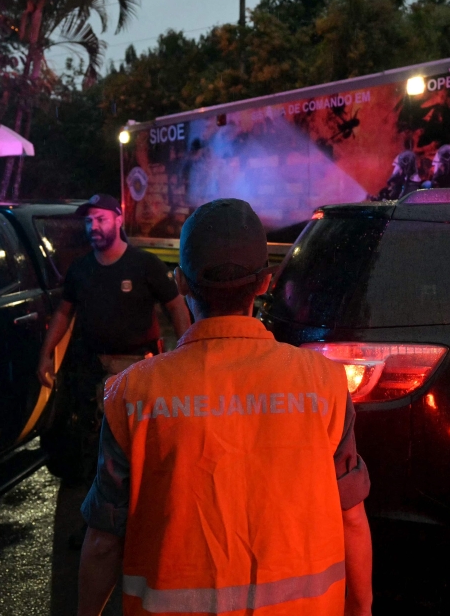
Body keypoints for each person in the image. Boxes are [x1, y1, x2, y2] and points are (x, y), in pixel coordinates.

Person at [78, 198, 373, 616]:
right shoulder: (323, 383)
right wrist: (362, 608)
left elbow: (104, 540)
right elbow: (352, 519)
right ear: (265, 283)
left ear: (181, 282)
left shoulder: (133, 394)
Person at [37, 193, 191, 488]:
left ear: (118, 220)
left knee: (137, 442)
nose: (93, 226)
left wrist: (185, 351)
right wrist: (46, 354)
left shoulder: (145, 264)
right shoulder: (80, 269)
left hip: (137, 367)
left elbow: (176, 307)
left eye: (100, 219)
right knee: (97, 437)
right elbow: (63, 314)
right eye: (88, 220)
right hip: (92, 367)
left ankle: (142, 498)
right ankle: (98, 502)